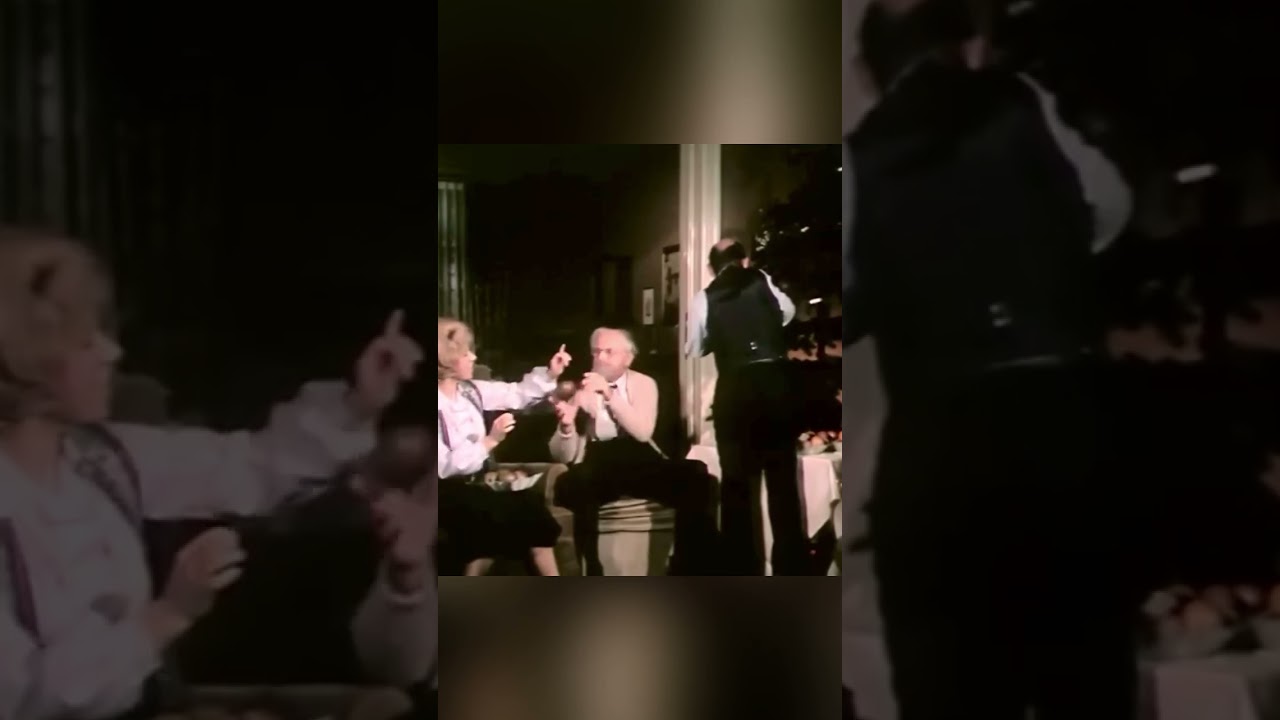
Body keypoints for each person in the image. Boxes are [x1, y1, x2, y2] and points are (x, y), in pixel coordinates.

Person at [0, 226, 430, 720]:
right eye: (83, 343)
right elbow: (24, 699)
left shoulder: (102, 459)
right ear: (20, 361)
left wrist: (358, 403)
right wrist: (166, 615)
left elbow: (250, 468)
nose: (111, 353)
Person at [846, 1, 1135, 718]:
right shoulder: (1018, 101)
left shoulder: (858, 157)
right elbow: (1110, 204)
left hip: (940, 436)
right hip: (1059, 417)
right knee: (1085, 670)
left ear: (868, 70)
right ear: (967, 46)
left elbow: (847, 297)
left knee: (950, 678)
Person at [686, 234, 808, 576]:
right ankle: (792, 572)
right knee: (783, 484)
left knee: (738, 486)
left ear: (712, 267)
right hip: (774, 385)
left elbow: (694, 347)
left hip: (736, 390)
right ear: (744, 260)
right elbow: (787, 312)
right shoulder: (761, 279)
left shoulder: (704, 297)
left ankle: (742, 571)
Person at [549, 327, 718, 575]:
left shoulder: (644, 383)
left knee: (696, 475)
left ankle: (687, 566)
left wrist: (609, 395)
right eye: (596, 352)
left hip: (640, 459)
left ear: (628, 358)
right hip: (600, 462)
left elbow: (642, 432)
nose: (600, 357)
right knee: (572, 483)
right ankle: (591, 569)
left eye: (609, 352)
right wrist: (566, 427)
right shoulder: (580, 390)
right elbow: (563, 456)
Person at [436, 317, 569, 576]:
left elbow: (516, 394)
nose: (474, 357)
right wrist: (490, 441)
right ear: (445, 360)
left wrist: (551, 373)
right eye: (465, 353)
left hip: (476, 487)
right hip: (442, 493)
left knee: (528, 504)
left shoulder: (471, 391)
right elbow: (444, 466)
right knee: (494, 515)